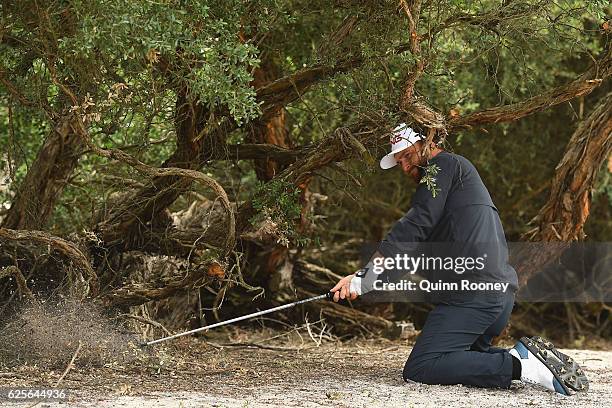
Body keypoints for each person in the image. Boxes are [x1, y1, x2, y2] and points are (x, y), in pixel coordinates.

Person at [330, 123, 589, 395]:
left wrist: (365, 276)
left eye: (407, 156)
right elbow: (409, 256)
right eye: (399, 161)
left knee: (421, 366)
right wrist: (364, 283)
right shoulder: (450, 192)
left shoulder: (444, 166)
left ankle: (521, 366)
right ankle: (526, 360)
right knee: (462, 359)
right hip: (495, 299)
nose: (404, 167)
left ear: (426, 142)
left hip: (473, 297)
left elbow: (413, 226)